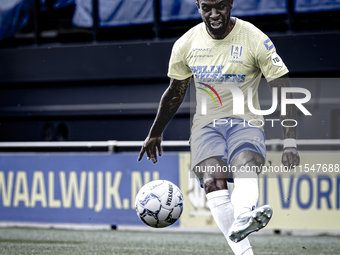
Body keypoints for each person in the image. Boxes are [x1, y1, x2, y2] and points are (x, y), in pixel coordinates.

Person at [138, 0, 300, 254]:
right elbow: (174, 93)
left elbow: (283, 90)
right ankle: (244, 245)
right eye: (207, 7)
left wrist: (290, 140)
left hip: (245, 123)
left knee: (244, 164)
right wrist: (156, 131)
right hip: (206, 127)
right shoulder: (186, 43)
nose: (214, 14)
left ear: (231, 4)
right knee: (213, 180)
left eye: (221, 6)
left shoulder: (255, 39)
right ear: (198, 6)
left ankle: (244, 215)